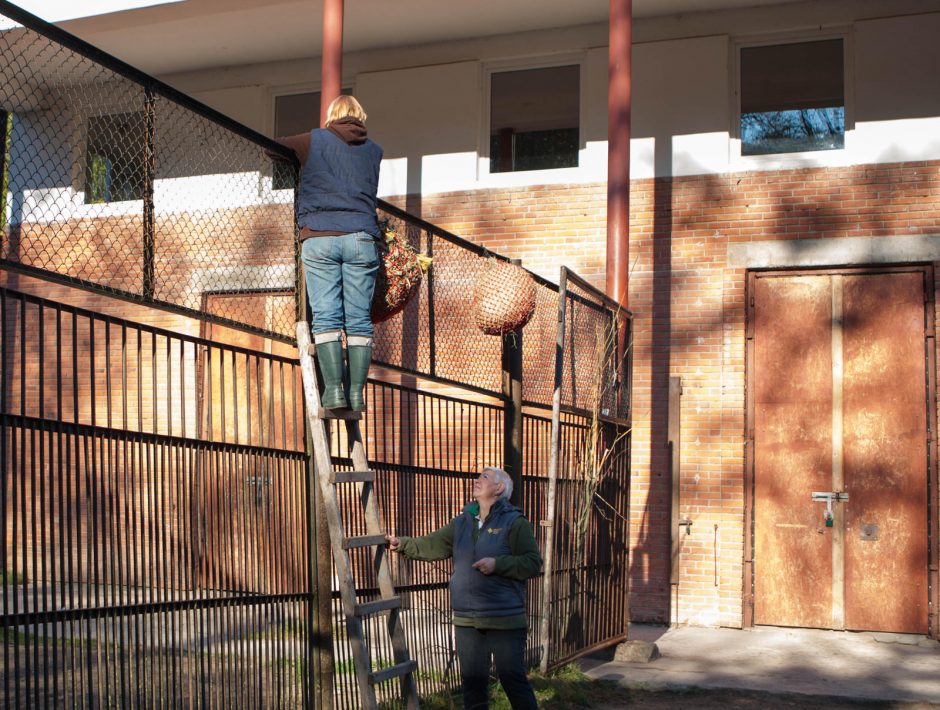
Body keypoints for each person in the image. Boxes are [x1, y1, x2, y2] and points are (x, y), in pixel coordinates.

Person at [385, 467, 542, 710]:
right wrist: (402, 543)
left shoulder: (514, 522)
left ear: (499, 488)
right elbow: (433, 544)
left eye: (484, 477)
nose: (477, 480)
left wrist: (498, 564)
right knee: (472, 685)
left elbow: (533, 563)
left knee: (513, 681)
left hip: (505, 619)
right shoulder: (462, 522)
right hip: (467, 620)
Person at [273, 95, 382, 411]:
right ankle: (357, 395)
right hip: (361, 237)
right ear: (359, 116)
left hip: (320, 236)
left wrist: (302, 158)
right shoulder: (374, 151)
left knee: (326, 314)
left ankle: (334, 392)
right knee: (359, 319)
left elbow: (272, 147)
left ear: (332, 115)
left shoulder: (314, 140)